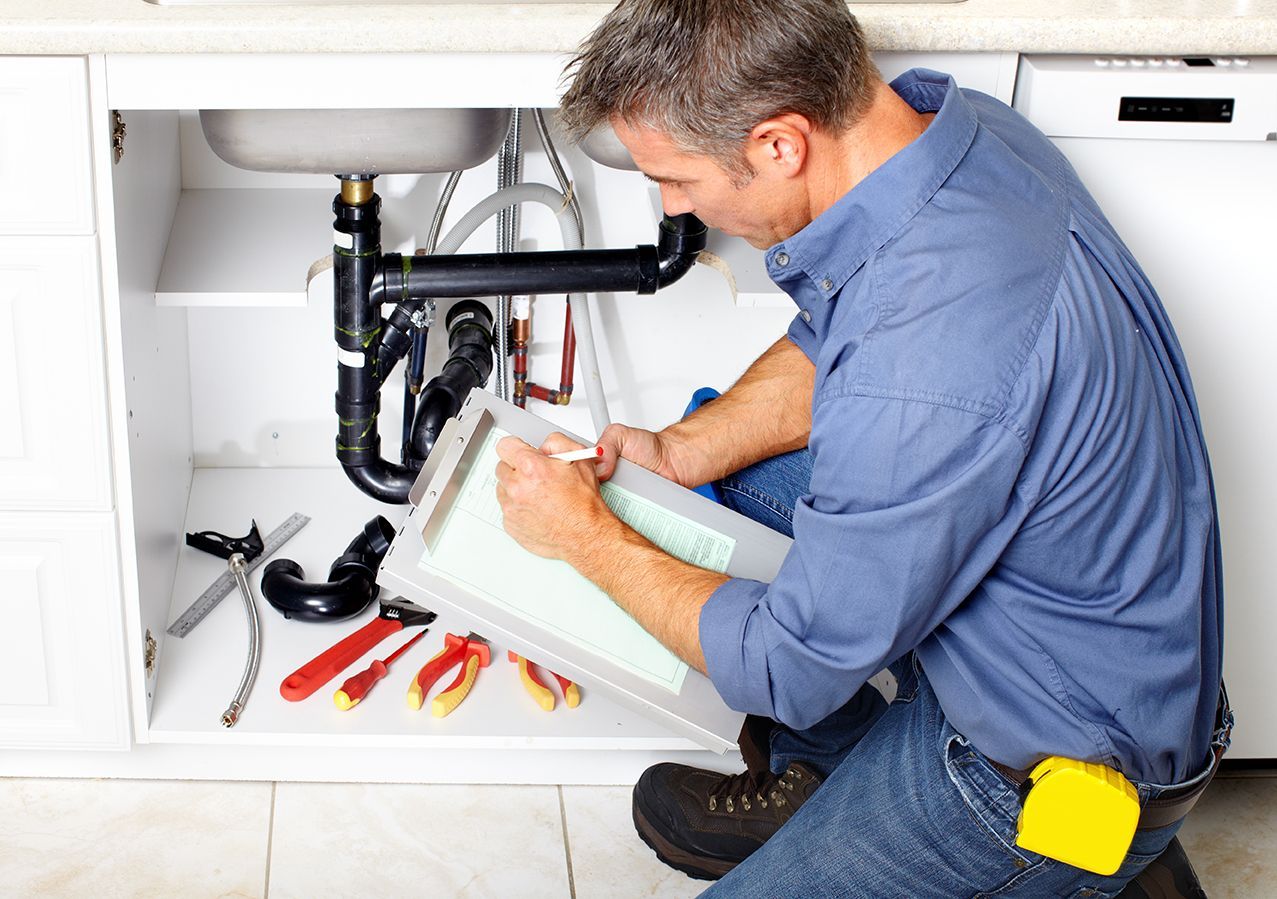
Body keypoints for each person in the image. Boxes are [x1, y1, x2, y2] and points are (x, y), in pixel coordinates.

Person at [493, 0, 1230, 894]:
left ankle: (1081, 874)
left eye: (676, 177)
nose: (670, 203)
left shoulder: (923, 359)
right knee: (743, 474)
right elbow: (838, 341)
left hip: (1042, 776)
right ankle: (827, 782)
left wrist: (585, 539)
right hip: (1086, 644)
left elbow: (785, 664)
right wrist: (684, 451)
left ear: (777, 144)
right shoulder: (959, 143)